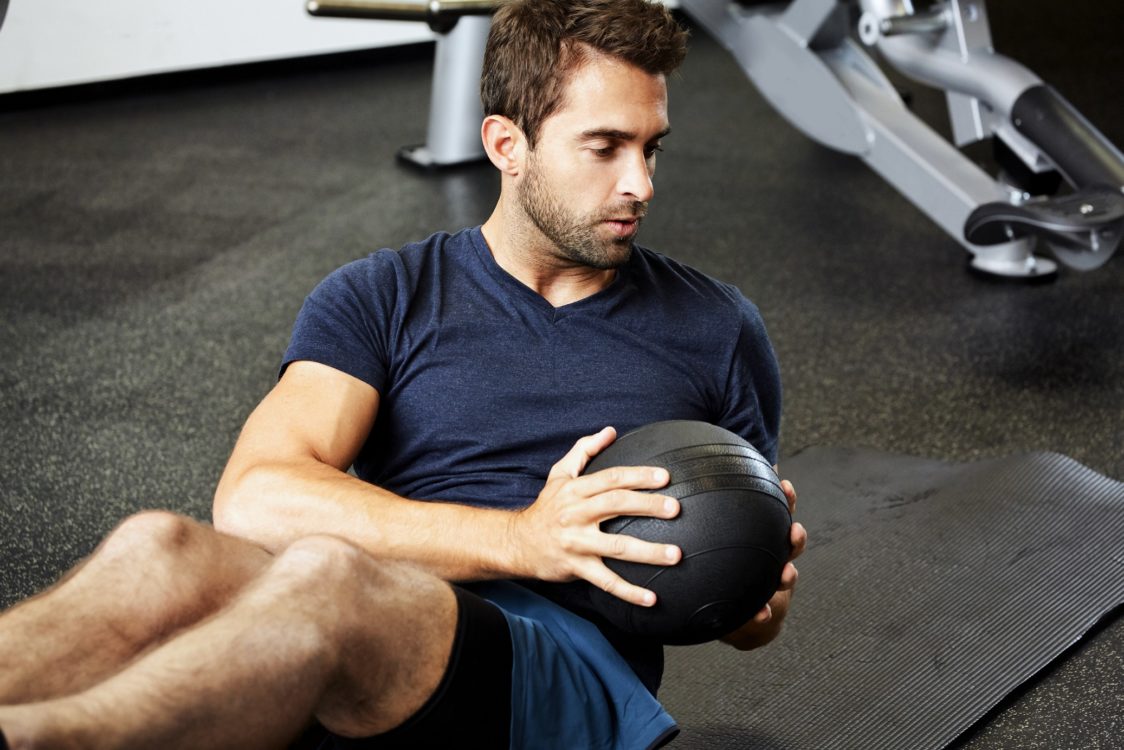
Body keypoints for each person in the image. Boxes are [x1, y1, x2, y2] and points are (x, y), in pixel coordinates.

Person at [0, 1, 808, 748]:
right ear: (506, 146)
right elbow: (253, 496)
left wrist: (749, 589)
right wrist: (523, 538)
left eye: (650, 147)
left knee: (326, 574)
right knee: (158, 547)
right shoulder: (384, 293)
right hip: (385, 608)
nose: (641, 183)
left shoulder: (716, 327)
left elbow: (749, 614)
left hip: (567, 673)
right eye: (605, 147)